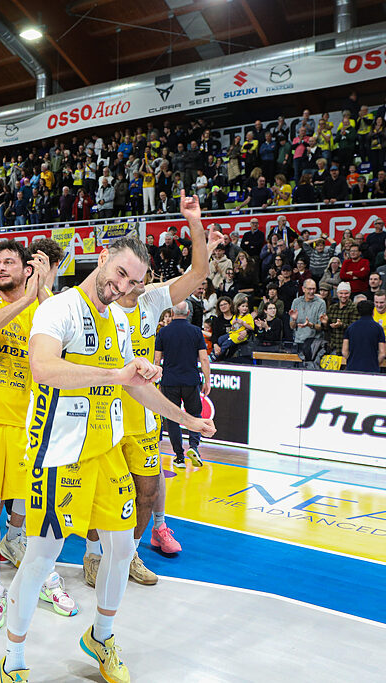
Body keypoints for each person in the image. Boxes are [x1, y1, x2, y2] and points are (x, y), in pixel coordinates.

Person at [0, 237, 215, 683]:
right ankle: (12, 659)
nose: (124, 287)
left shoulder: (118, 318)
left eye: (134, 282)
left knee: (121, 549)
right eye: (120, 274)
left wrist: (185, 417)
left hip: (108, 451)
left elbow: (132, 384)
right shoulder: (58, 308)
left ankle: (102, 637)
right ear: (102, 258)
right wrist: (115, 373)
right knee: (41, 557)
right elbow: (43, 368)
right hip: (59, 455)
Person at [89, 196, 215, 586]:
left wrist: (194, 223)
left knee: (146, 492)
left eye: (140, 279)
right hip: (104, 412)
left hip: (143, 412)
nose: (134, 286)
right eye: (127, 277)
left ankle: (129, 554)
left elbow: (198, 273)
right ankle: (93, 555)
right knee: (102, 493)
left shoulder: (154, 298)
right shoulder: (98, 303)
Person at [0, 239, 76, 632]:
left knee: (36, 507)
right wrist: (24, 299)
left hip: (28, 422)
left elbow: (66, 342)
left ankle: (43, 577)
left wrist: (42, 288)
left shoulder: (44, 308)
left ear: (27, 269)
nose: (1, 267)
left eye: (11, 261)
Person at [156, 301, 213, 471]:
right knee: (194, 414)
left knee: (173, 418)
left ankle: (179, 457)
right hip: (191, 380)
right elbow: (204, 359)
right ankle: (194, 447)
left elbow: (157, 360)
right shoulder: (196, 331)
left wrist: (155, 381)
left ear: (172, 313)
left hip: (169, 381)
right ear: (188, 313)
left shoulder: (163, 332)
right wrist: (207, 380)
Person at [343, 300, 386, 372]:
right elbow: (382, 353)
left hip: (352, 368)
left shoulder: (350, 328)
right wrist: (375, 364)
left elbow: (344, 351)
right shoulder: (378, 328)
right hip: (372, 369)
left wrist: (352, 361)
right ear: (373, 311)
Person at [290, 279, 326, 346]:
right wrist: (294, 320)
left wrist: (310, 325)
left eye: (314, 289)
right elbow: (292, 326)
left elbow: (321, 327)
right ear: (303, 289)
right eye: (309, 289)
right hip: (298, 341)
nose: (312, 291)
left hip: (314, 343)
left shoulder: (321, 303)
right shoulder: (296, 302)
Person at [324, 282, 357, 354]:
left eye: (346, 293)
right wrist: (325, 323)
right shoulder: (332, 308)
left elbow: (355, 329)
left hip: (348, 348)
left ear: (350, 293)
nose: (343, 296)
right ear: (337, 293)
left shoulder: (355, 308)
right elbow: (326, 329)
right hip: (333, 347)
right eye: (341, 293)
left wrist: (341, 325)